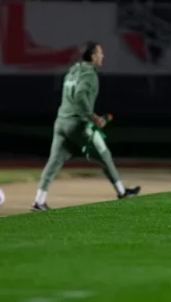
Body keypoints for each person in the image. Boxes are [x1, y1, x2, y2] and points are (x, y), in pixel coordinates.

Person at [32, 42, 140, 211]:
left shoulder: (73, 70)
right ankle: (121, 191)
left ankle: (39, 201)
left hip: (61, 122)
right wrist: (94, 117)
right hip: (78, 125)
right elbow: (80, 95)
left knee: (53, 162)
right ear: (92, 56)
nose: (102, 56)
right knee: (104, 155)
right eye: (100, 53)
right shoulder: (89, 74)